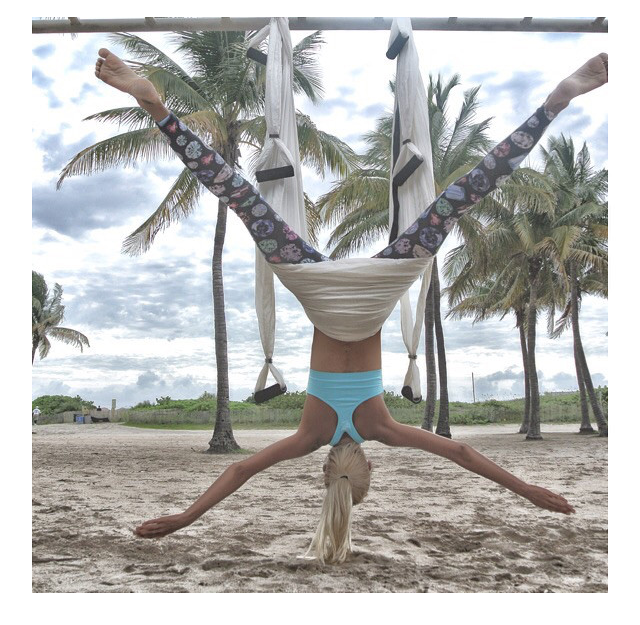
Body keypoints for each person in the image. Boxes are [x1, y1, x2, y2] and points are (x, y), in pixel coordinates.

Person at [94, 48, 607, 563]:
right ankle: (158, 107)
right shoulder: (309, 434)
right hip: (313, 285)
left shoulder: (382, 427)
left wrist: (529, 491)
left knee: (465, 193)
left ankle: (555, 102)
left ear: (367, 465)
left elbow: (462, 453)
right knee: (238, 194)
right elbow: (239, 472)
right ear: (324, 470)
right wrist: (186, 516)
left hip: (381, 287)